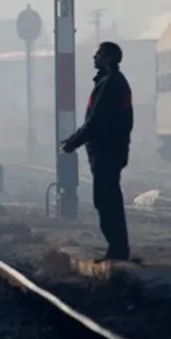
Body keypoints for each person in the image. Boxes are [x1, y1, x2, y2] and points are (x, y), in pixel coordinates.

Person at [61, 41, 134, 262]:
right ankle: (117, 248)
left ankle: (117, 249)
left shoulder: (110, 84)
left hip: (107, 151)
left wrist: (73, 142)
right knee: (108, 198)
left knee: (106, 200)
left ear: (108, 58)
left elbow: (97, 121)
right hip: (111, 150)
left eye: (99, 54)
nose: (94, 57)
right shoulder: (111, 82)